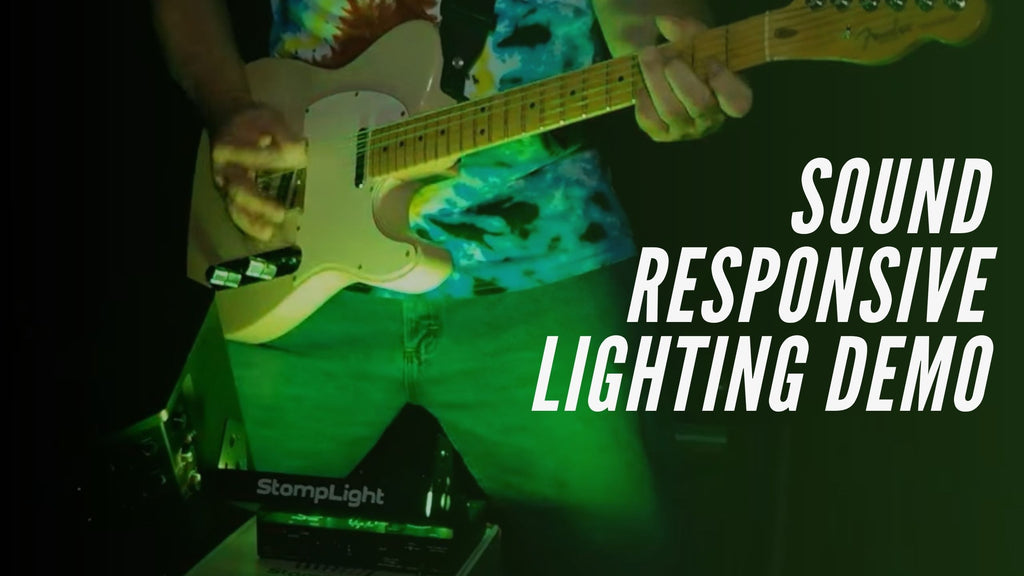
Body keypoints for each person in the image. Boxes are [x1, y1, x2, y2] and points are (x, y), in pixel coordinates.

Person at [152, 0, 751, 573]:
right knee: (216, 545)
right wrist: (228, 104)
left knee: (618, 555)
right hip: (291, 252)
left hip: (546, 260)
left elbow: (644, 21)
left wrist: (662, 62)